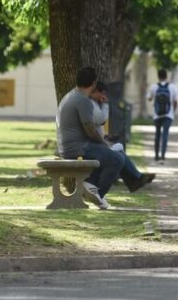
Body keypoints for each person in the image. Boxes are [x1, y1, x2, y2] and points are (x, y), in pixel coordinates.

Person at [56, 66, 124, 210]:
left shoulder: (72, 95)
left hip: (70, 145)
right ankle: (96, 191)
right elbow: (90, 130)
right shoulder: (83, 101)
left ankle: (92, 186)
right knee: (117, 159)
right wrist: (104, 144)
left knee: (113, 154)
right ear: (93, 84)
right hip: (77, 147)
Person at [91, 82, 155, 192]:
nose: (104, 97)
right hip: (92, 146)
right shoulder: (92, 104)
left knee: (119, 150)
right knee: (118, 155)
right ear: (97, 92)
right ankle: (135, 179)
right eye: (103, 94)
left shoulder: (94, 103)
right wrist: (106, 104)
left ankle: (135, 179)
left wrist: (106, 137)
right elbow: (101, 120)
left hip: (98, 143)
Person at [146, 69, 178, 163]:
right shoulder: (172, 87)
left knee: (157, 134)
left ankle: (156, 155)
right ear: (166, 76)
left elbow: (149, 98)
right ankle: (163, 155)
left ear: (158, 76)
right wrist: (173, 111)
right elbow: (175, 101)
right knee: (165, 134)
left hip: (157, 115)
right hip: (169, 115)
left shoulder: (154, 86)